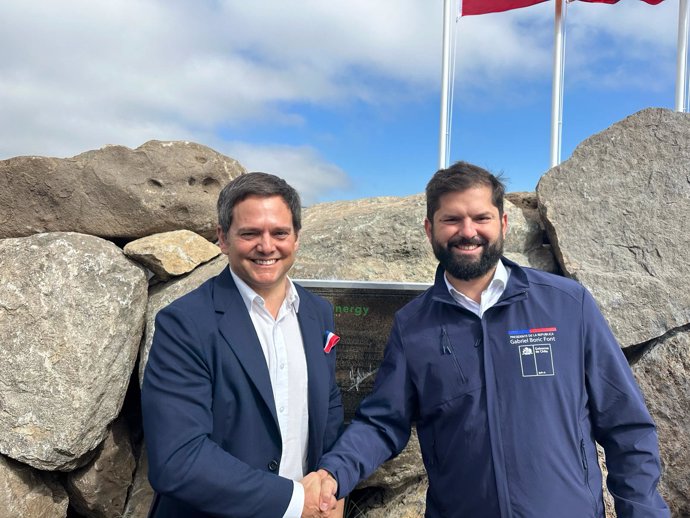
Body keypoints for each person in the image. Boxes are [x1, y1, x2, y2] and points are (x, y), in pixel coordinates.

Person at [315, 161, 669, 517]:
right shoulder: (412, 325)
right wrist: (334, 474)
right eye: (451, 219)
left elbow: (626, 425)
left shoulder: (567, 304)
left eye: (481, 218)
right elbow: (381, 423)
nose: (467, 231)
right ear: (429, 229)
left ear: (502, 223)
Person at [141, 172, 344, 518]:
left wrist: (332, 484)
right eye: (250, 233)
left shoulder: (318, 313)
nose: (267, 246)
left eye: (280, 233)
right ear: (223, 238)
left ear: (296, 238)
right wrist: (295, 503)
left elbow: (329, 407)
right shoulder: (184, 323)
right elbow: (177, 458)